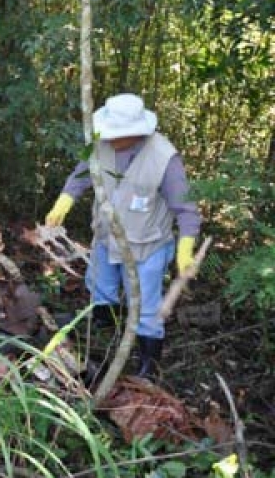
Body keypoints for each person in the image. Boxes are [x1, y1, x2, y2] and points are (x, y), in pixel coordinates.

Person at [44, 93, 202, 379]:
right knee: (100, 286)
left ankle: (148, 363)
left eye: (119, 134)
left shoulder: (165, 158)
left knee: (145, 307)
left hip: (147, 246)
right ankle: (104, 329)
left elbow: (186, 210)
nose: (111, 139)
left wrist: (185, 251)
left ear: (137, 132)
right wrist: (64, 201)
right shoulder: (99, 143)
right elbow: (81, 174)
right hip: (106, 237)